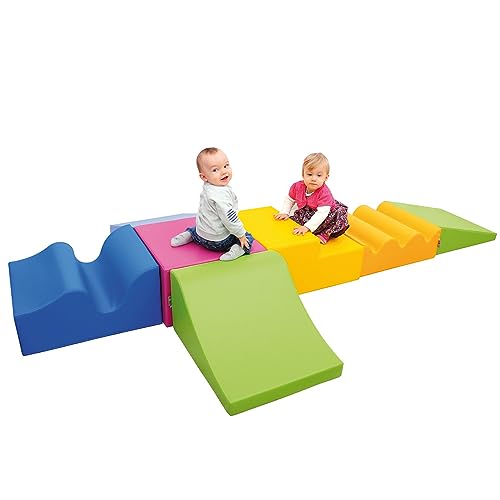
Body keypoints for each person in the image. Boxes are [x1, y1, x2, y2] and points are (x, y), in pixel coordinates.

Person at [170, 147, 254, 261]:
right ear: (204, 177)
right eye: (215, 170)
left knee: (199, 227)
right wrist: (241, 235)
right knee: (248, 236)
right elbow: (230, 219)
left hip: (201, 235)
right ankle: (239, 248)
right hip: (219, 242)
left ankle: (191, 234)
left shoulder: (208, 187)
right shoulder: (221, 196)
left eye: (226, 165)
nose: (224, 171)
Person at [274, 152, 349, 244]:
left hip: (327, 213)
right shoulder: (297, 187)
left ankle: (325, 234)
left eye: (319, 175)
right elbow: (290, 199)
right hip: (310, 210)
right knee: (296, 218)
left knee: (335, 216)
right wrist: (285, 212)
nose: (313, 179)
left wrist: (307, 227)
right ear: (303, 175)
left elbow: (322, 214)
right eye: (309, 174)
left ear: (326, 177)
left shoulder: (324, 193)